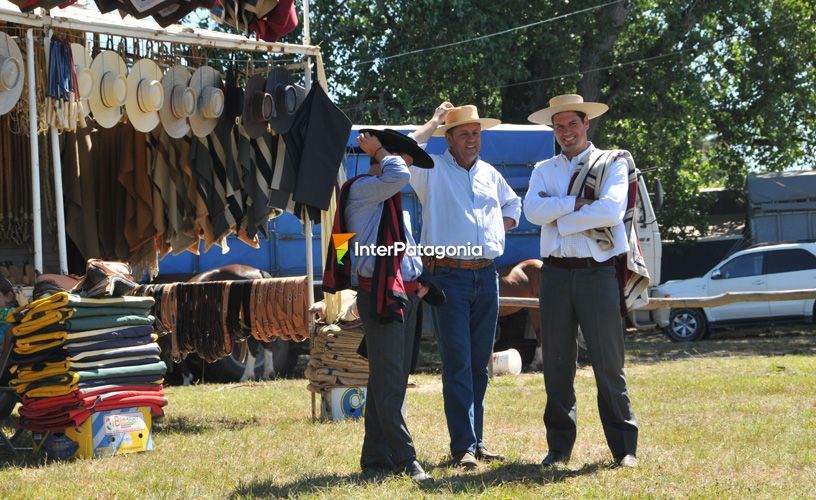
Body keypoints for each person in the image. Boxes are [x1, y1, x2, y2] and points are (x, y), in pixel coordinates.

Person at [523, 94, 647, 469]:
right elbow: (531, 210)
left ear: (586, 123)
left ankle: (624, 449)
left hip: (597, 273)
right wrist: (577, 206)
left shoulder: (611, 162)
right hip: (556, 274)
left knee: (609, 363)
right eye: (558, 126)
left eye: (571, 124)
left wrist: (558, 214)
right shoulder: (543, 168)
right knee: (557, 365)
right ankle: (559, 448)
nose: (565, 132)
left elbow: (611, 210)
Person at [410, 104, 522, 468]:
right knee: (458, 362)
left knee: (478, 364)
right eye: (464, 134)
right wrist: (434, 121)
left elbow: (513, 203)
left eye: (476, 133)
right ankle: (463, 448)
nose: (472, 140)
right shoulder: (431, 170)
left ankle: (477, 441)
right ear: (449, 138)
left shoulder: (489, 173)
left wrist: (496, 231)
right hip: (448, 276)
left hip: (487, 275)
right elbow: (404, 151)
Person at [323, 129, 434, 482]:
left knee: (392, 382)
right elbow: (399, 171)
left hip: (404, 295)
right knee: (388, 382)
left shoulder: (386, 195)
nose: (409, 171)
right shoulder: (362, 189)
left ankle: (375, 458)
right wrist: (383, 149)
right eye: (406, 162)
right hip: (381, 295)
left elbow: (406, 249)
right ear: (385, 161)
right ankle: (407, 459)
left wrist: (420, 282)